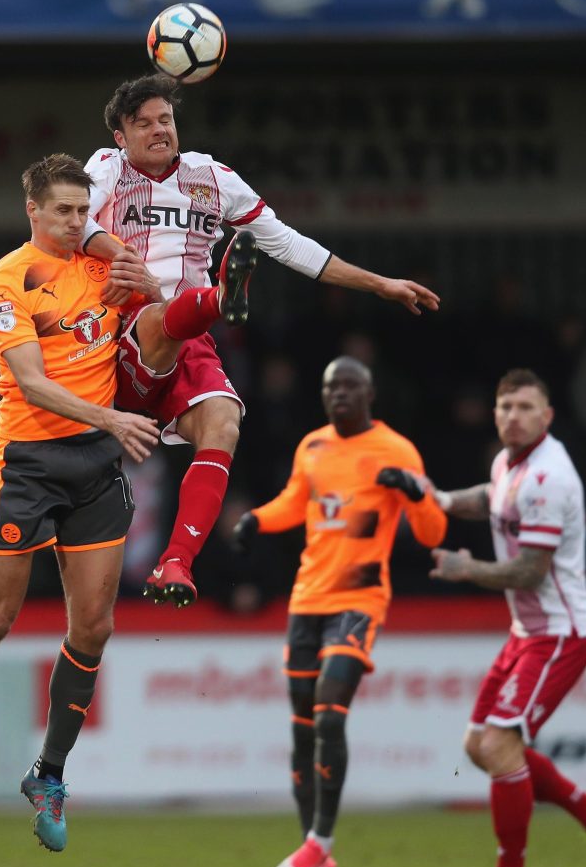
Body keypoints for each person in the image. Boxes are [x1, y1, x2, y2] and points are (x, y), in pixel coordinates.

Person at [83, 73, 441, 608]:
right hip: (119, 329)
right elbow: (77, 224)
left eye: (166, 120)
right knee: (159, 314)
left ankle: (176, 561)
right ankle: (219, 298)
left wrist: (380, 283)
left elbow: (291, 245)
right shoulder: (104, 169)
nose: (160, 131)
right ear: (120, 135)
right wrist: (125, 257)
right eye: (144, 124)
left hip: (191, 340)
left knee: (224, 419)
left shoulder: (213, 178)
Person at [0, 153, 160, 855]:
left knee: (95, 626)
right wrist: (112, 419)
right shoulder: (6, 279)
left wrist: (152, 276)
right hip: (29, 463)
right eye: (65, 212)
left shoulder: (106, 267)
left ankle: (47, 774)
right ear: (34, 211)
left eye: (85, 211)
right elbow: (29, 380)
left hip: (96, 468)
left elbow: (161, 316)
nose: (79, 222)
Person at [232, 356, 447, 867]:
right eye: (331, 387)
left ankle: (320, 841)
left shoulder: (396, 451)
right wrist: (258, 518)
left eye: (350, 385)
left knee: (331, 705)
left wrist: (417, 493)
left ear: (370, 392)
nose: (340, 394)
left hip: (359, 600)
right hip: (308, 601)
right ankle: (314, 861)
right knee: (304, 732)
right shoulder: (313, 447)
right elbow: (296, 504)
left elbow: (432, 532)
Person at [428, 368, 586, 867]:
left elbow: (529, 570)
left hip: (561, 632)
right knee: (482, 747)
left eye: (525, 407)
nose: (513, 416)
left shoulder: (550, 477)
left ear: (547, 416)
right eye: (505, 407)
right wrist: (442, 500)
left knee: (500, 748)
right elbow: (493, 498)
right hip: (528, 631)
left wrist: (466, 568)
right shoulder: (507, 463)